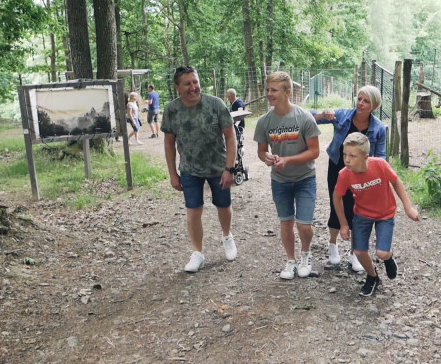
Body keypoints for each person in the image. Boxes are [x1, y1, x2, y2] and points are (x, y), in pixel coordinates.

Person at [161, 66, 239, 273]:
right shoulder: (171, 110)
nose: (193, 87)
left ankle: (227, 236)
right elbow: (169, 142)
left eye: (195, 82)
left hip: (218, 166)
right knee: (193, 210)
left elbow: (231, 137)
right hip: (190, 169)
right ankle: (197, 253)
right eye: (187, 84)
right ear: (177, 87)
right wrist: (172, 174)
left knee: (223, 205)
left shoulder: (215, 104)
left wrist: (229, 168)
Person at [333, 132, 420, 296]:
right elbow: (337, 197)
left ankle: (388, 258)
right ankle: (372, 277)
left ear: (365, 157)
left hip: (385, 215)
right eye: (345, 154)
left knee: (382, 253)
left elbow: (396, 182)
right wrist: (343, 224)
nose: (347, 160)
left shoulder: (380, 165)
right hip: (361, 215)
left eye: (352, 156)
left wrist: (408, 208)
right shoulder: (344, 174)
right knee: (358, 251)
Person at [254, 71, 321, 280]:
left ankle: (305, 255)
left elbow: (314, 151)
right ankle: (290, 260)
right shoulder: (264, 121)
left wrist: (288, 160)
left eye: (274, 90)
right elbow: (261, 150)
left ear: (287, 92)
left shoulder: (304, 118)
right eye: (268, 90)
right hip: (280, 181)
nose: (269, 94)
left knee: (304, 224)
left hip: (304, 179)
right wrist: (267, 158)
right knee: (286, 222)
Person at [311, 85, 386, 273]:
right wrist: (322, 114)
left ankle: (355, 252)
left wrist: (377, 177)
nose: (361, 103)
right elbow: (309, 118)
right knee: (336, 205)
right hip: (337, 166)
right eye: (359, 99)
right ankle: (333, 245)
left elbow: (381, 156)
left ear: (374, 106)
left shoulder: (378, 128)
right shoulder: (343, 115)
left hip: (361, 173)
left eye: (366, 101)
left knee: (358, 210)